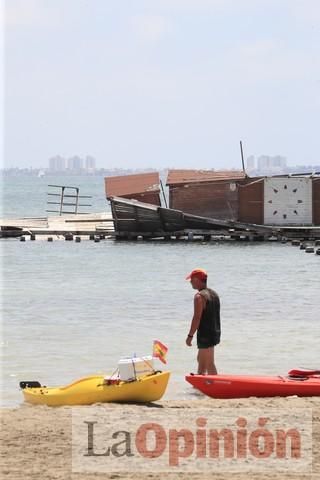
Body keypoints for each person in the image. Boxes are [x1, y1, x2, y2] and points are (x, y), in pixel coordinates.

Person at [185, 268, 221, 375]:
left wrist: (190, 336)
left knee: (208, 363)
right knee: (201, 360)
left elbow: (197, 318)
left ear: (197, 280)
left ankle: (212, 386)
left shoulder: (199, 297)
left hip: (205, 334)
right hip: (215, 332)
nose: (190, 282)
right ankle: (201, 387)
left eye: (191, 279)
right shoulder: (214, 294)